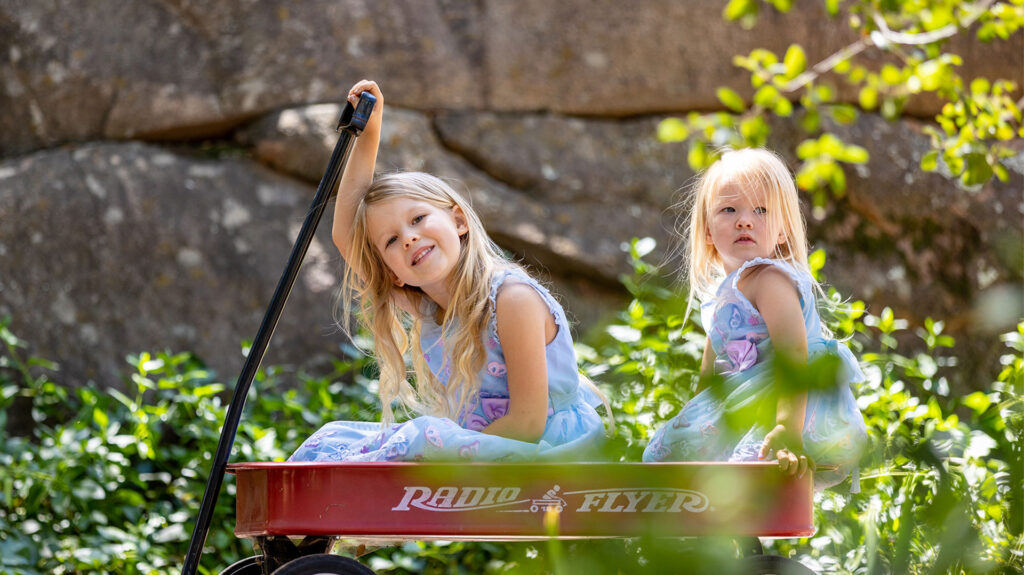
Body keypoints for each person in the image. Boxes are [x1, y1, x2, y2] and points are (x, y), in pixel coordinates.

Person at [290, 80, 608, 462]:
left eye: (419, 218)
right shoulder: (429, 310)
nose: (408, 238)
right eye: (390, 241)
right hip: (483, 453)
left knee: (422, 438)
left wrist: (439, 464)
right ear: (393, 273)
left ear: (459, 220)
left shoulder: (511, 300)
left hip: (548, 455)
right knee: (334, 441)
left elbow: (527, 425)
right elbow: (347, 236)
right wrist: (369, 135)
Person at [642, 147, 868, 491]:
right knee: (671, 458)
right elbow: (710, 376)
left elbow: (795, 357)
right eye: (729, 209)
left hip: (789, 406)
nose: (744, 219)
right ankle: (722, 535)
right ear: (706, 230)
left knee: (752, 469)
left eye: (761, 210)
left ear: (781, 231)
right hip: (744, 402)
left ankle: (740, 534)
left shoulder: (770, 280)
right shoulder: (722, 295)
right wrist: (693, 422)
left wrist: (786, 430)